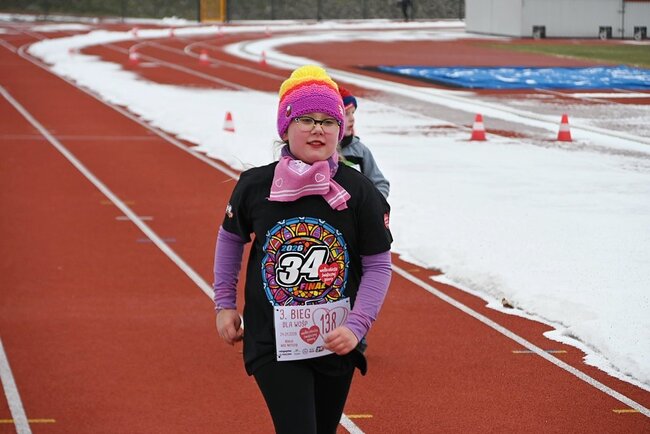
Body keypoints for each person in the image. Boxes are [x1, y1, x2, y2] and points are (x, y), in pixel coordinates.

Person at [212, 65, 393, 434]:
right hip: (273, 342)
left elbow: (378, 265)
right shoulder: (255, 186)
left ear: (340, 130)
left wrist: (356, 326)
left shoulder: (359, 191)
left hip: (335, 341)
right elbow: (230, 239)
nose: (317, 129)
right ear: (285, 127)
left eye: (328, 121)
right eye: (306, 119)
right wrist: (224, 303)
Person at [338, 86, 390, 199]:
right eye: (346, 114)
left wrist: (375, 203)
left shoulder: (360, 151)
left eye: (353, 113)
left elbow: (380, 183)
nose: (352, 119)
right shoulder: (320, 151)